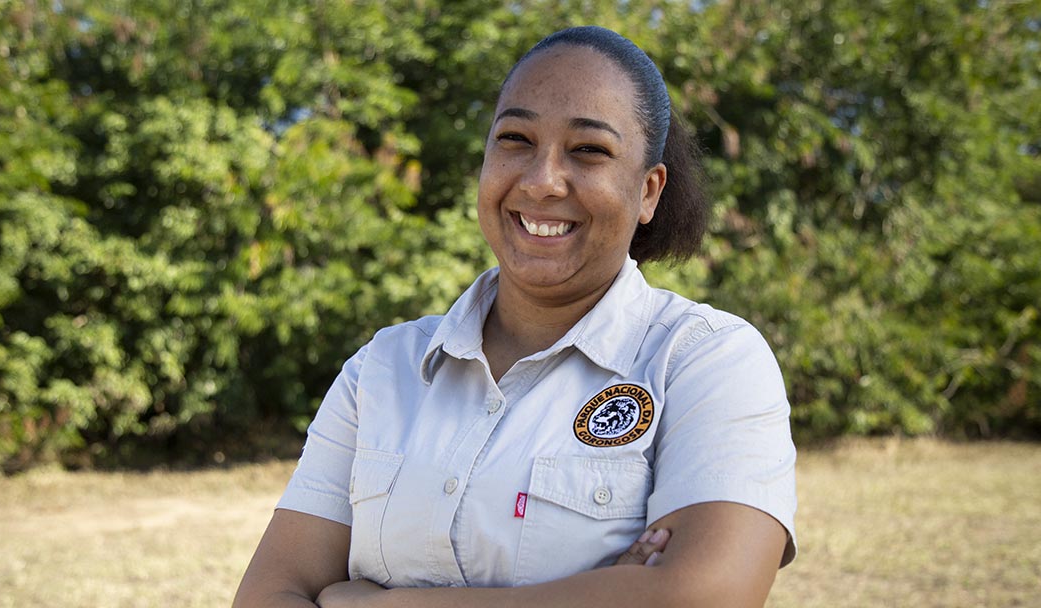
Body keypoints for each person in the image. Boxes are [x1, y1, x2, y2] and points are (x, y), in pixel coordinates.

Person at [234, 25, 796, 608]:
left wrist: (375, 602)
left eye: (589, 150)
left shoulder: (705, 360)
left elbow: (706, 596)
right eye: (515, 139)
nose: (541, 180)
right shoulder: (382, 368)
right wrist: (611, 591)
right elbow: (269, 594)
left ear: (649, 191)